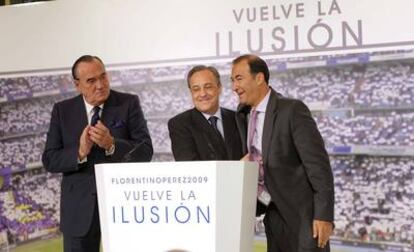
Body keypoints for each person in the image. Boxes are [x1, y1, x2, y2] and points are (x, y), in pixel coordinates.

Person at [42, 55, 153, 252]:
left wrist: (112, 145)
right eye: (91, 81)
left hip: (123, 206)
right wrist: (80, 151)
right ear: (77, 85)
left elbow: (145, 151)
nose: (100, 85)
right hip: (79, 211)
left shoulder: (128, 103)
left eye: (103, 77)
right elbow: (49, 159)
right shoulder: (62, 110)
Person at [231, 54, 334, 252]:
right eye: (232, 80)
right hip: (272, 213)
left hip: (302, 216)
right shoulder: (243, 114)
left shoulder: (292, 110)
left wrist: (324, 215)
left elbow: (318, 165)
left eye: (239, 78)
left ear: (259, 78)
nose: (235, 86)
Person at [168, 65, 242, 160]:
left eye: (208, 87)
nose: (202, 94)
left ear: (219, 88)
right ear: (191, 92)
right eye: (196, 89)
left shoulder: (237, 118)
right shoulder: (179, 124)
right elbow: (191, 166)